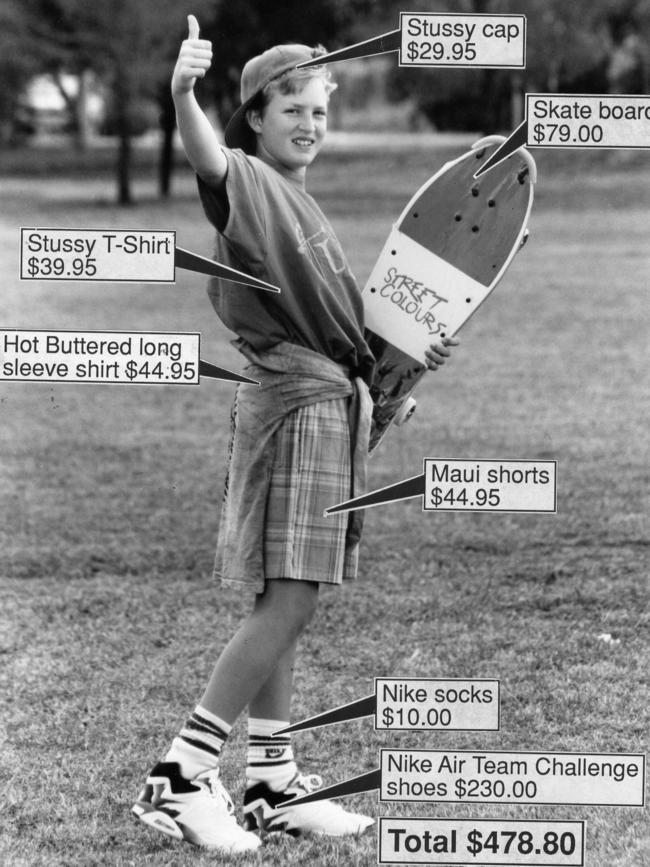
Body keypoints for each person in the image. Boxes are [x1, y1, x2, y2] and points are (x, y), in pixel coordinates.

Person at [132, 14, 458, 854]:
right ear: (256, 119)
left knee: (283, 588)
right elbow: (206, 155)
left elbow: (343, 330)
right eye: (292, 111)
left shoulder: (301, 203)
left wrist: (403, 362)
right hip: (295, 404)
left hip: (317, 399)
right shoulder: (241, 178)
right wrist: (181, 93)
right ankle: (180, 775)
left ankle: (272, 781)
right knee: (295, 593)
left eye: (319, 110)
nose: (310, 124)